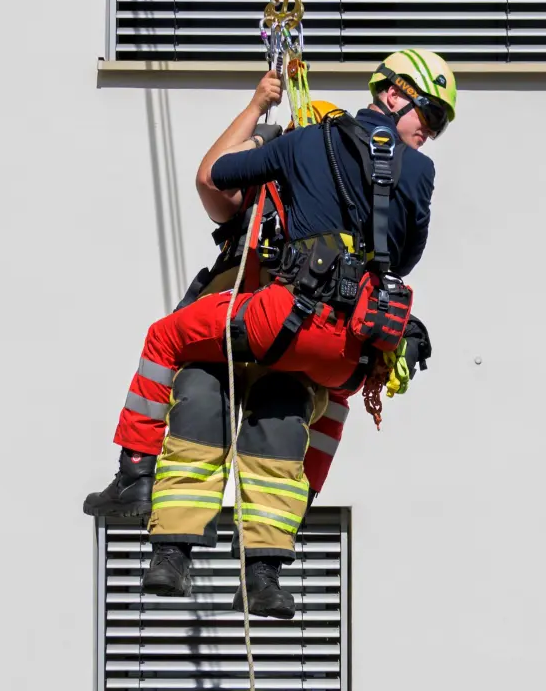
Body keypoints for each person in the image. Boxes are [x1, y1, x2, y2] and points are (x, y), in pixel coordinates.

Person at [101, 49, 456, 619]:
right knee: (304, 406)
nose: (430, 133)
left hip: (282, 318)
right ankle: (266, 567)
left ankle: (134, 478)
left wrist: (264, 117)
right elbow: (406, 259)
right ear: (395, 95)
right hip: (348, 343)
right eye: (430, 117)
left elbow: (215, 174)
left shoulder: (304, 145)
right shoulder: (419, 170)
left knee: (168, 342)